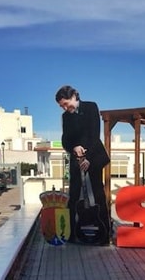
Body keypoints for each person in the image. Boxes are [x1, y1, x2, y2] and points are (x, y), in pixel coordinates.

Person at [55, 85, 111, 245]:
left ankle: (104, 236)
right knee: (73, 197)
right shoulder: (66, 117)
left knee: (98, 195)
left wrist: (88, 158)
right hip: (76, 161)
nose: (65, 108)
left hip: (93, 158)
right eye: (62, 106)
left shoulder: (91, 107)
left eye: (66, 104)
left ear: (74, 96)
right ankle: (72, 234)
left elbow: (94, 134)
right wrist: (74, 147)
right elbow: (65, 139)